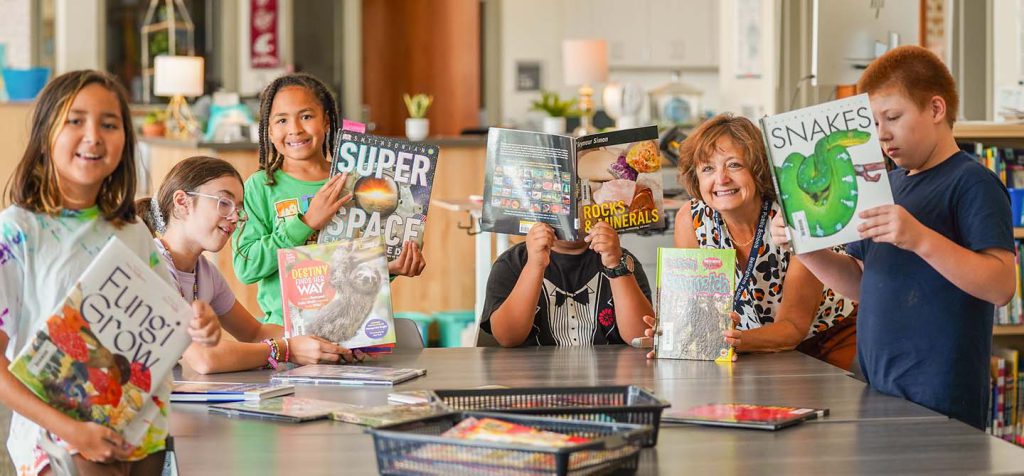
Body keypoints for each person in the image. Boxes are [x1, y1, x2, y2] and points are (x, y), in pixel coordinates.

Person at [770, 45, 1016, 429]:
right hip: (875, 383)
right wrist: (806, 245)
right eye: (873, 123)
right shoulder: (884, 183)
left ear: (936, 110)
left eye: (893, 117)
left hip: (940, 393)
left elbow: (1001, 285)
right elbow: (860, 283)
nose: (882, 135)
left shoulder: (972, 182)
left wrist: (919, 238)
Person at [0, 70, 221, 475]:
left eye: (109, 124)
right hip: (58, 444)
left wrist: (200, 325)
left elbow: (171, 324)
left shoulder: (133, 230)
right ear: (45, 132)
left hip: (142, 436)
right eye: (75, 120)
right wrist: (73, 431)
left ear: (125, 140)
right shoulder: (17, 232)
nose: (93, 136)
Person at [663, 113, 858, 369]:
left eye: (734, 165)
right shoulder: (691, 220)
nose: (721, 179)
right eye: (708, 168)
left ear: (757, 170)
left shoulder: (792, 216)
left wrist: (733, 341)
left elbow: (793, 327)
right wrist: (669, 336)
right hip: (752, 345)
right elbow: (698, 313)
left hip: (830, 339)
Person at [232, 73, 426, 325]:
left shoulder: (356, 182)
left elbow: (355, 267)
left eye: (306, 116)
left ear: (326, 121)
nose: (295, 129)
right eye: (282, 120)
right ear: (268, 131)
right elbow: (246, 269)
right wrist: (307, 222)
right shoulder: (261, 186)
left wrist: (391, 268)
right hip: (290, 336)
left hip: (355, 329)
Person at [136, 156, 359, 374]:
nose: (235, 217)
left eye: (239, 209)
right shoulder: (152, 265)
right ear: (183, 202)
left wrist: (333, 342)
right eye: (224, 203)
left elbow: (254, 332)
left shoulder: (205, 272)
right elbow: (205, 358)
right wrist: (286, 349)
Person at [480, 221, 654, 347]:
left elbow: (640, 336)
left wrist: (615, 265)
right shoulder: (512, 263)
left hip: (610, 383)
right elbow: (507, 337)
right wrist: (535, 264)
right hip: (533, 384)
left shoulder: (623, 261)